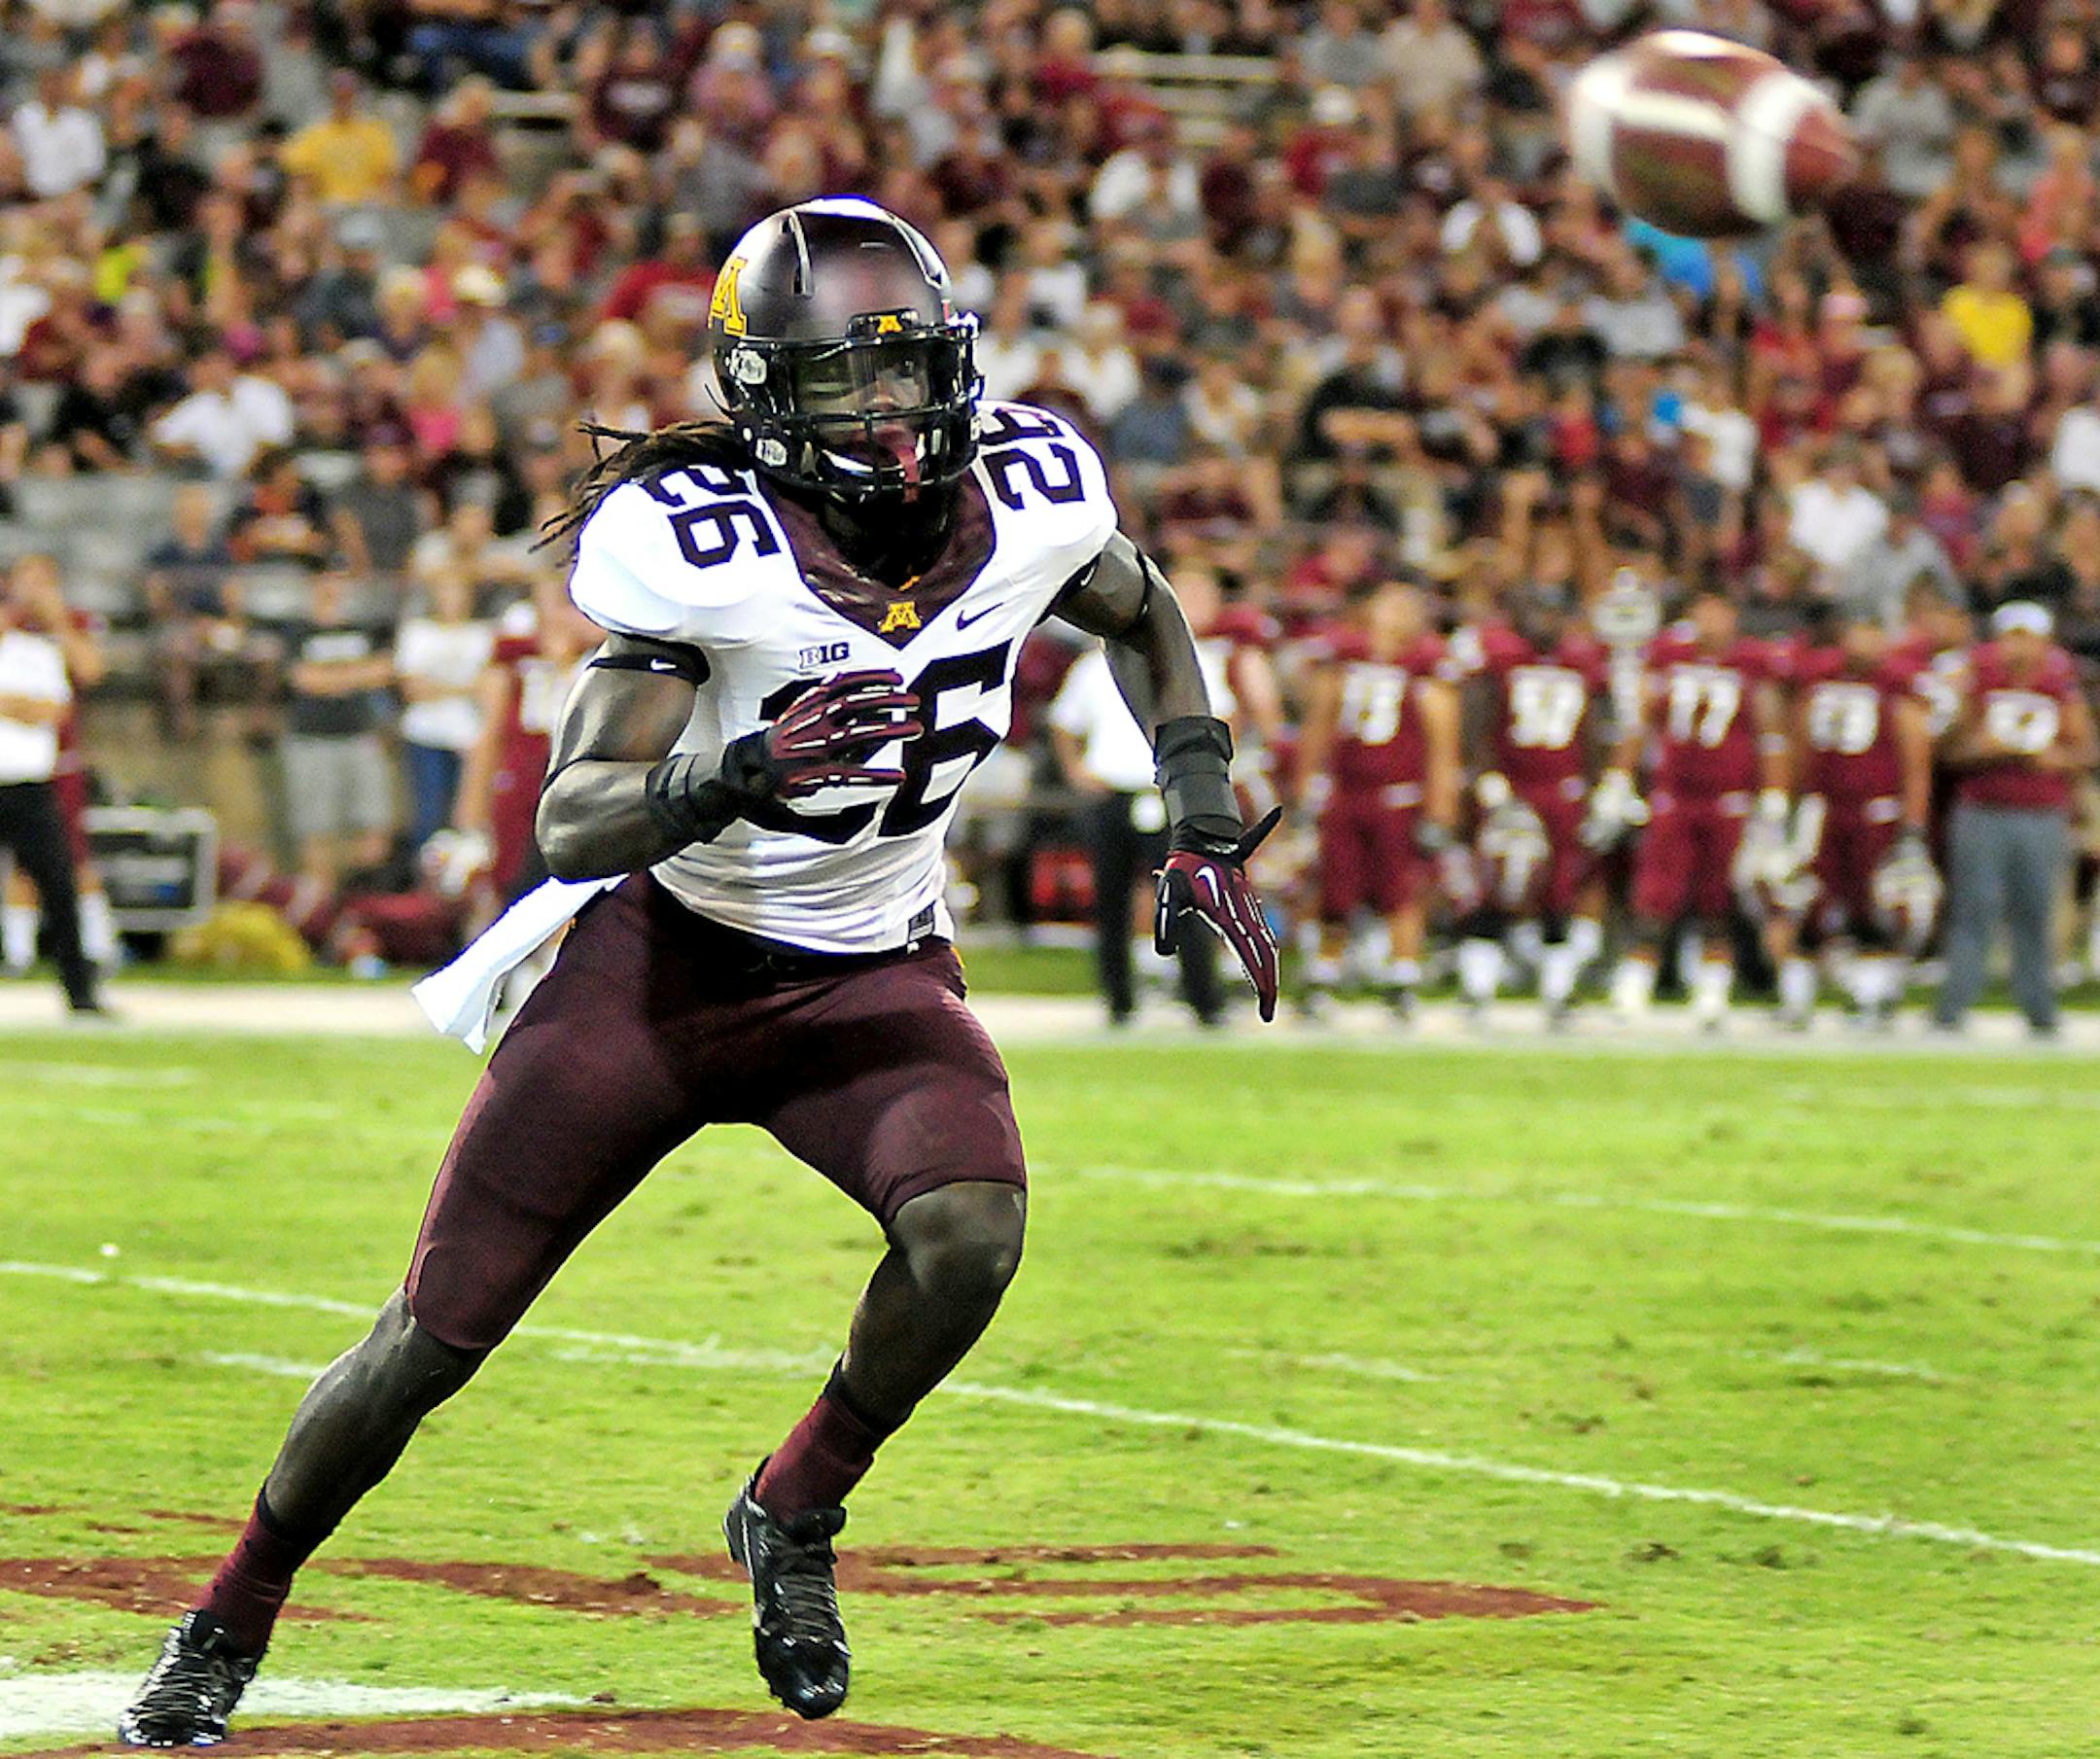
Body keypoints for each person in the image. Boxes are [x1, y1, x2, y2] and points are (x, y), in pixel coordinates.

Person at [120, 199, 1280, 1747]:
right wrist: (736, 772)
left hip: (868, 975)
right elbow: (572, 817)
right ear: (764, 395)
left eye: (909, 370)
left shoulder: (1033, 491)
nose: (890, 412)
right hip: (660, 976)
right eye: (846, 382)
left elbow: (1143, 606)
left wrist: (1199, 802)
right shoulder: (703, 548)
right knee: (431, 1337)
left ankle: (792, 1508)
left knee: (970, 1236)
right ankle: (228, 1618)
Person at [1610, 586, 1790, 1032]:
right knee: (1655, 897)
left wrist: (1774, 793)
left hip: (1729, 800)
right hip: (1674, 796)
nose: (1711, 621)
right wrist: (1619, 778)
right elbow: (1639, 719)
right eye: (1704, 611)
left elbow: (1771, 732)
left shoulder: (1752, 663)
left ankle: (1712, 992)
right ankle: (1634, 986)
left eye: (1719, 611)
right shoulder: (1668, 656)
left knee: (1719, 900)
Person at [1294, 578, 1459, 1018]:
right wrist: (1306, 786)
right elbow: (1318, 725)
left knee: (1401, 889)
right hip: (1345, 793)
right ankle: (1324, 974)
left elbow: (1443, 744)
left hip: (1398, 797)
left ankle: (1402, 976)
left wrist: (1441, 808)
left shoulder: (1426, 667)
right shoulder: (1344, 659)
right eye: (1391, 605)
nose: (1399, 616)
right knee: (1334, 887)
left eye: (1407, 608)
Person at [1768, 604, 1939, 1029]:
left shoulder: (1897, 686)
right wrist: (1789, 805)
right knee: (1803, 900)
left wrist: (1913, 826)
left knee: (1875, 906)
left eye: (1872, 632)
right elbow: (1797, 741)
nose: (1864, 642)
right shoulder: (1818, 678)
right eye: (1858, 631)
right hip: (1823, 809)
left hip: (1876, 811)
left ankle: (1873, 997)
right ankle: (1796, 996)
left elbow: (1916, 762)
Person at [1934, 602, 2097, 1036]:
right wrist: (1983, 748)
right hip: (1983, 809)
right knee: (1974, 908)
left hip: (2041, 813)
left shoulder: (2059, 687)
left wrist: (2055, 758)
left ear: (2044, 644)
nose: (2020, 648)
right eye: (2012, 637)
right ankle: (1954, 1004)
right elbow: (1949, 751)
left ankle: (2038, 1006)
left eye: (2028, 638)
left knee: (2036, 911)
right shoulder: (1977, 683)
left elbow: (2084, 750)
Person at [1455, 582, 1612, 1024]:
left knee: (1560, 891)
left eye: (1554, 612)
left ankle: (1557, 993)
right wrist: (1485, 776)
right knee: (1495, 886)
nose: (1546, 620)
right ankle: (1478, 988)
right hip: (1513, 788)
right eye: (1539, 610)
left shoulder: (1584, 663)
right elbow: (1475, 720)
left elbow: (1596, 732)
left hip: (1563, 792)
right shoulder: (1501, 659)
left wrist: (1601, 787)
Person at [0, 555, 105, 1016]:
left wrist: (57, 619)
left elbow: (54, 707)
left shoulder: (38, 648)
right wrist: (18, 705)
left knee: (61, 879)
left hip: (32, 781)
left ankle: (81, 987)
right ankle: (17, 954)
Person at [279, 572, 397, 889]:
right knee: (317, 829)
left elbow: (384, 670)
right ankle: (323, 900)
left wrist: (332, 678)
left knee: (374, 823)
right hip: (313, 739)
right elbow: (304, 679)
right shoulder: (298, 630)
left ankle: (363, 895)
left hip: (361, 736)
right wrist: (356, 675)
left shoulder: (365, 627)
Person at [395, 567, 495, 849]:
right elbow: (413, 689)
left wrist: (438, 686)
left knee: (467, 815)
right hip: (425, 733)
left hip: (468, 735)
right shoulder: (418, 633)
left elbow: (490, 686)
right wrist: (465, 687)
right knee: (430, 812)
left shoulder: (484, 634)